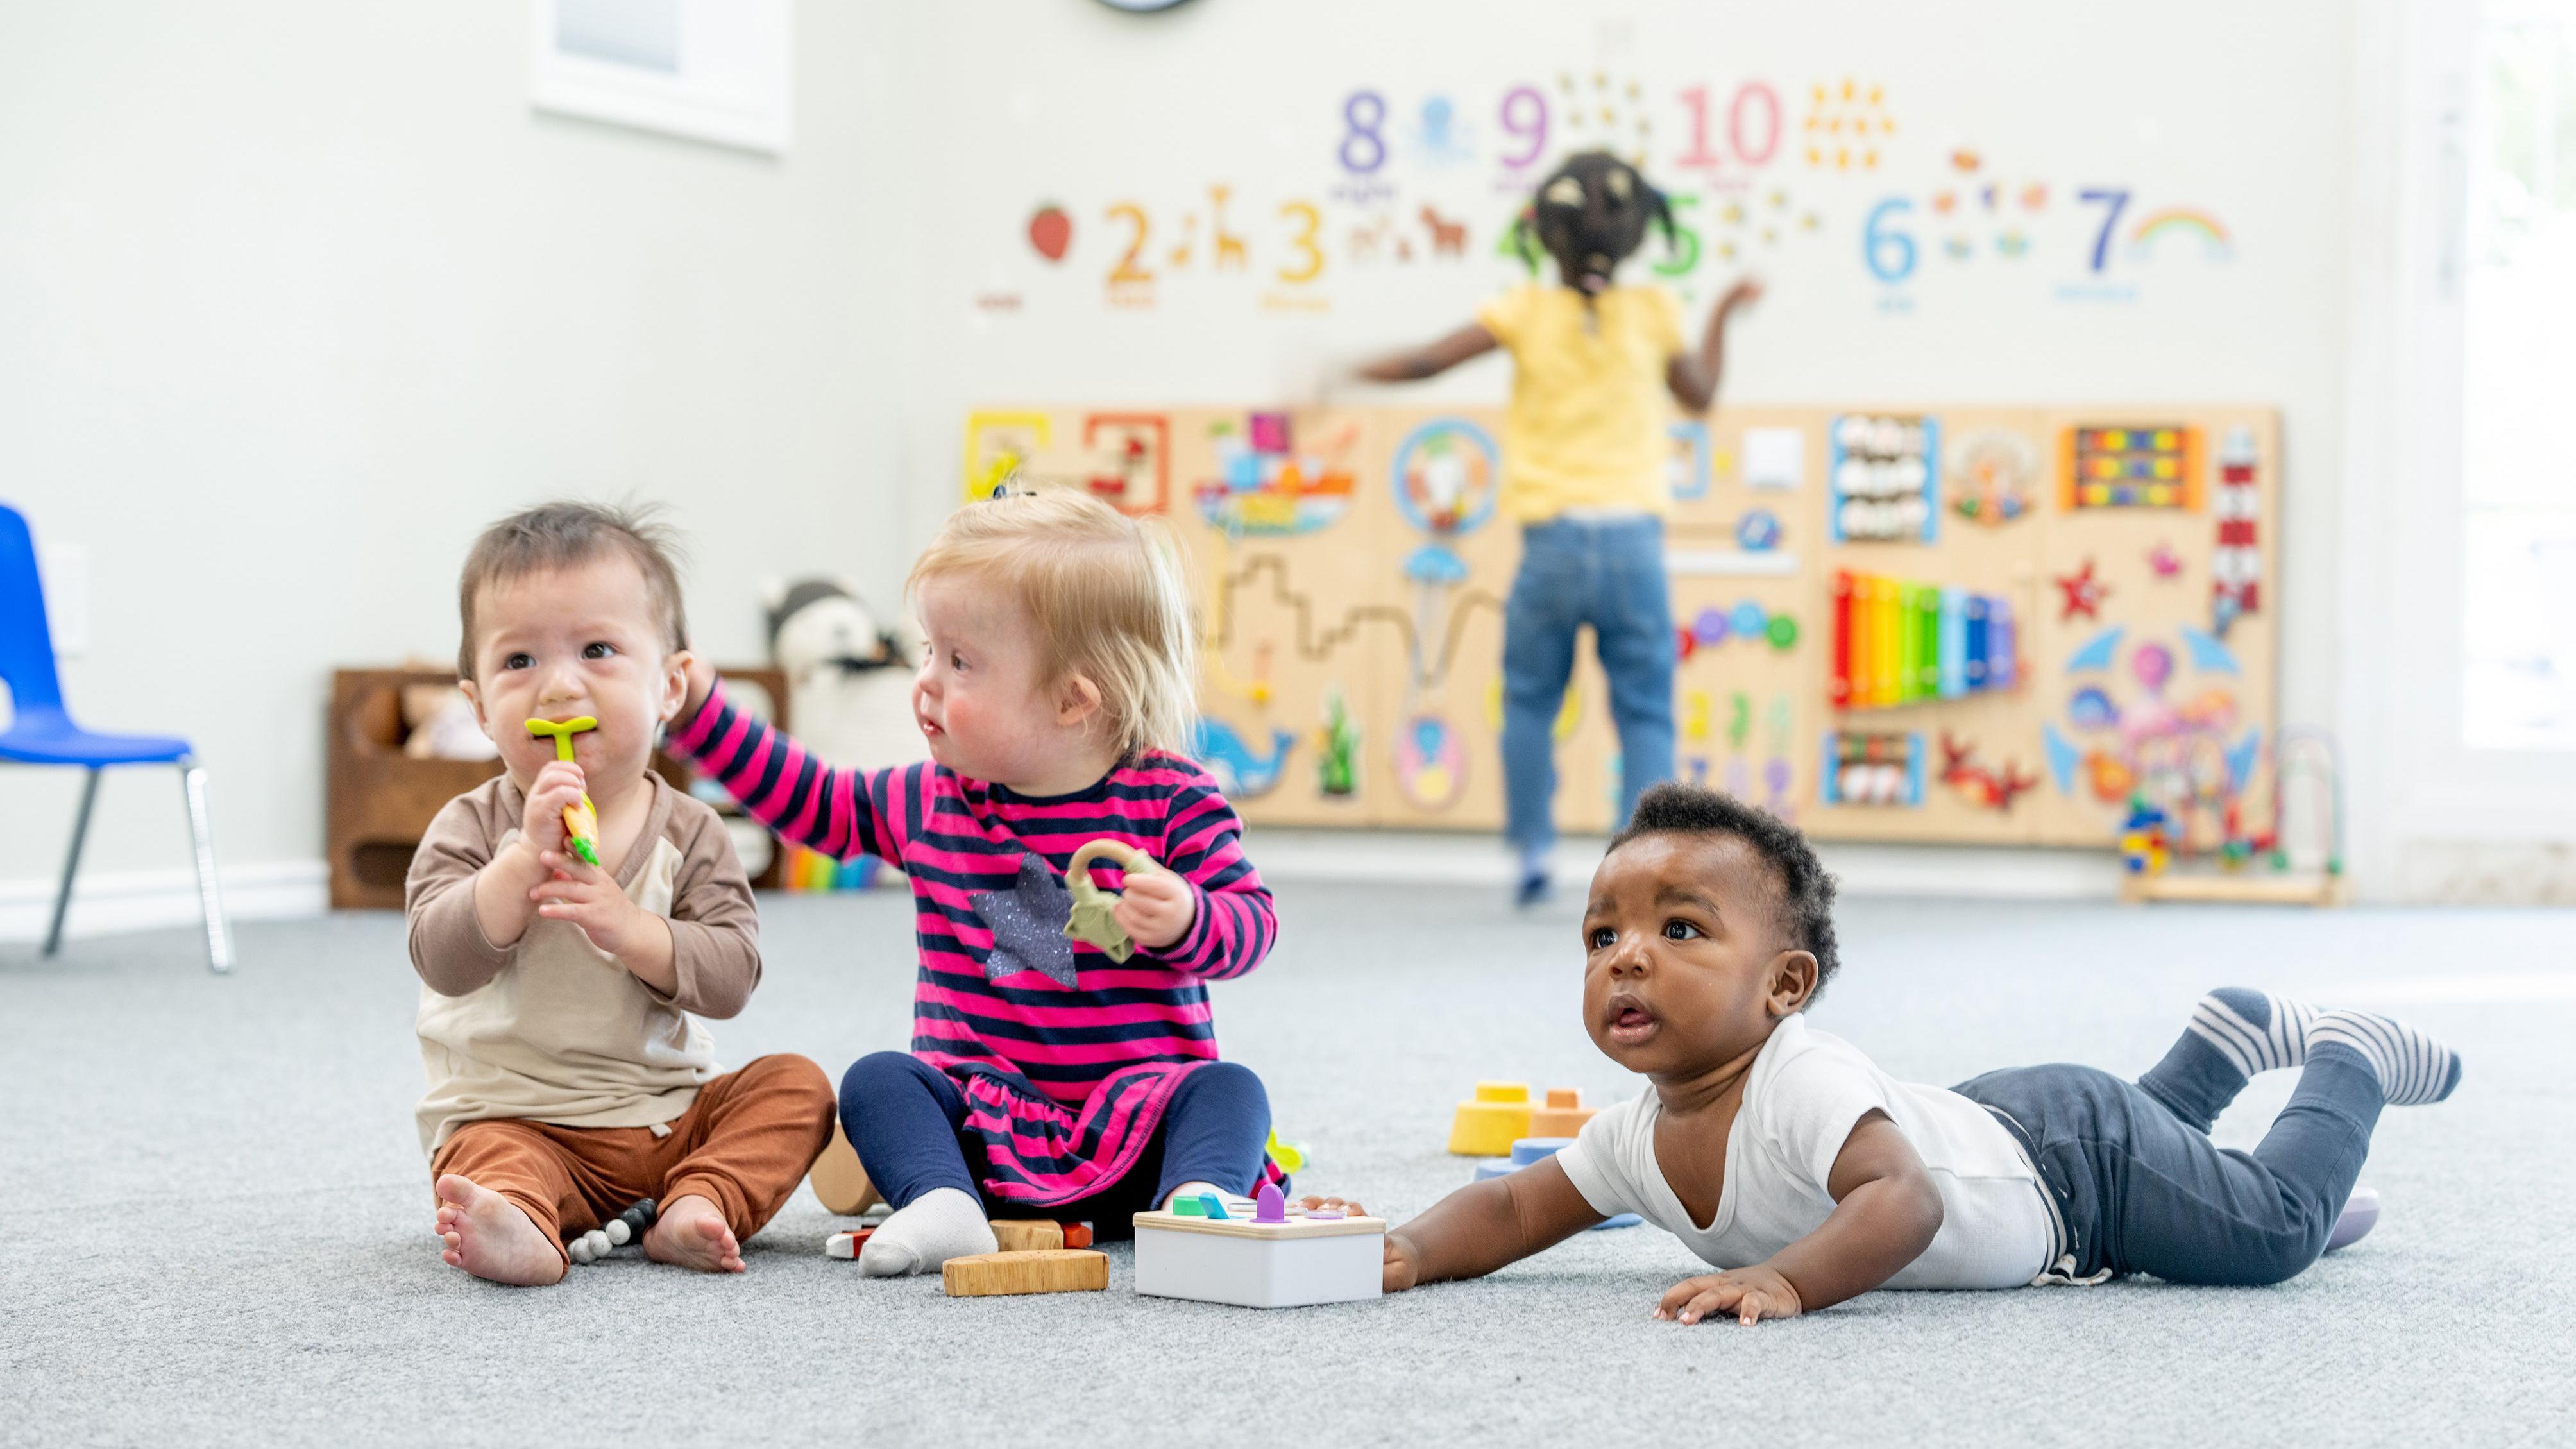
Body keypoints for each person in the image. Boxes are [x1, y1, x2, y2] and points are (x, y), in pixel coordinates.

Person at [1326, 782, 2461, 1323]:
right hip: (2010, 1127)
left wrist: (1786, 1275)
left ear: (1785, 985)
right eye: (1602, 934)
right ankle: (2216, 1050)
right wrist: (1412, 1248)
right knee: (2186, 1164)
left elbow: (1906, 1200)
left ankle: (2345, 1057)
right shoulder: (1635, 1133)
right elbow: (1521, 1208)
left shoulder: (1800, 1078)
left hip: (2080, 1169)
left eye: (1678, 929)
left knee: (2266, 1228)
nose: (1626, 957)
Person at [670, 488, 1281, 1276]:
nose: (924, 682)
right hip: (984, 1132)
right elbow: (812, 802)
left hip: (1140, 1126)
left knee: (1228, 1090)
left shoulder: (1172, 799)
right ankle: (942, 1205)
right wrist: (703, 717)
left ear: (1072, 699)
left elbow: (1252, 924)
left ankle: (1197, 1202)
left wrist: (1192, 916)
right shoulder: (929, 801)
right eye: (927, 650)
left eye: (959, 662)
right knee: (878, 1082)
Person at [412, 502, 835, 1286]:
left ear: (671, 685)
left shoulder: (692, 831)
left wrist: (631, 928)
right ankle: (519, 1221)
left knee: (797, 1087)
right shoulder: (470, 824)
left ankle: (698, 1200)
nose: (558, 688)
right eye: (518, 663)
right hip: (520, 1116)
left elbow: (732, 976)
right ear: (477, 707)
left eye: (597, 650)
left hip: (668, 1118)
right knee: (482, 1151)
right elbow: (441, 959)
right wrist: (513, 871)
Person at [1360, 151, 1763, 904]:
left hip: (1549, 545)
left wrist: (1345, 369)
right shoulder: (1652, 313)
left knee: (1529, 702)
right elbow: (1701, 396)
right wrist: (1721, 312)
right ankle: (1649, 869)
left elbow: (1423, 363)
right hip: (1633, 542)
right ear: (1638, 231)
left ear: (1545, 231)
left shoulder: (1520, 310)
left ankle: (1530, 855)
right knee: (1644, 707)